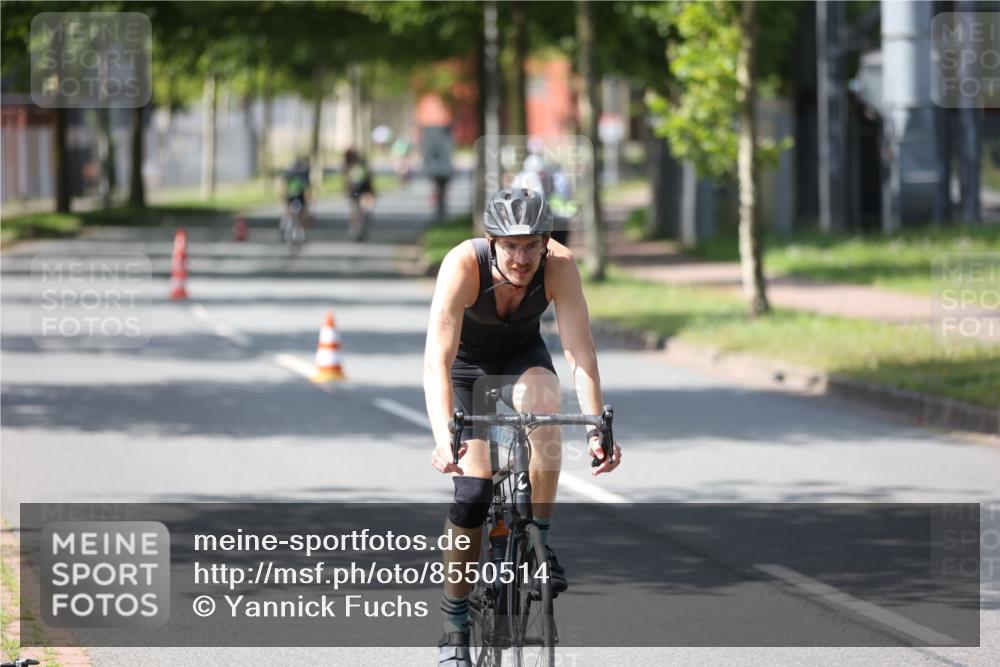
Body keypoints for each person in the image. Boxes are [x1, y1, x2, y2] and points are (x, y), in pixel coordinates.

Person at [423, 187, 623, 666]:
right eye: (510, 245)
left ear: (545, 242)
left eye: (531, 245)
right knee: (472, 494)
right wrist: (442, 438)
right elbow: (437, 358)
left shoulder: (560, 266)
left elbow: (580, 353)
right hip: (465, 369)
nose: (520, 256)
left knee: (545, 413)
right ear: (491, 241)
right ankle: (454, 625)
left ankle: (541, 544)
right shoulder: (462, 265)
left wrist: (597, 428)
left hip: (521, 359)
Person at [343, 148, 375, 241]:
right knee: (359, 210)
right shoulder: (358, 166)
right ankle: (356, 228)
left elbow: (347, 181)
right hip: (359, 191)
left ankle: (356, 228)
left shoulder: (350, 166)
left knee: (357, 210)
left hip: (357, 192)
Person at [282, 156, 311, 232]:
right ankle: (290, 225)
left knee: (300, 212)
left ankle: (299, 228)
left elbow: (307, 190)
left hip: (297, 196)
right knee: (293, 212)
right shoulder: (295, 175)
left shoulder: (300, 175)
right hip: (294, 196)